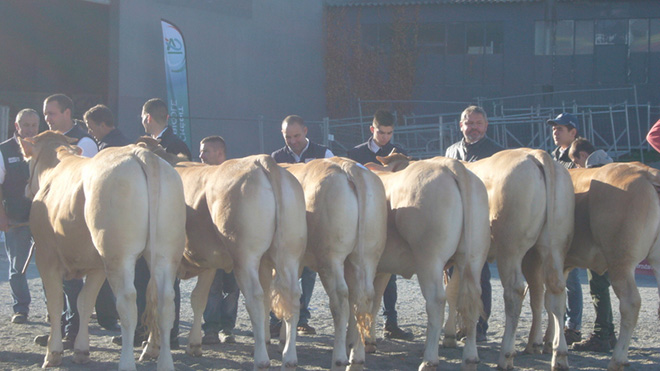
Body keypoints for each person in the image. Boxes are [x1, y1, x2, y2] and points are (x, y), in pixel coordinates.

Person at [112, 98, 191, 349]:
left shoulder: (175, 146)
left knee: (166, 278)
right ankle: (144, 331)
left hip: (165, 217)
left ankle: (169, 333)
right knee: (149, 276)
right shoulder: (175, 143)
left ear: (147, 118)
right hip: (149, 216)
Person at [35, 94, 100, 349]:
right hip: (56, 219)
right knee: (60, 282)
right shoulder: (48, 142)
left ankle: (74, 329)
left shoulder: (84, 142)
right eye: (46, 114)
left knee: (74, 284)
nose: (47, 119)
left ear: (67, 113)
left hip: (75, 222)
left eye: (52, 113)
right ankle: (61, 327)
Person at [347, 109, 413, 341]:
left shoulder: (402, 154)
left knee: (389, 274)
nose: (385, 137)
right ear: (372, 129)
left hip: (389, 218)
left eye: (389, 133)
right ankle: (357, 324)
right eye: (381, 132)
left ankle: (390, 321)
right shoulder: (355, 154)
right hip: (360, 218)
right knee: (358, 272)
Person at [444, 105, 503, 343]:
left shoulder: (497, 154)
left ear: (486, 126)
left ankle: (479, 326)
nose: (473, 128)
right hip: (453, 223)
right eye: (469, 123)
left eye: (478, 123)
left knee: (480, 275)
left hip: (482, 222)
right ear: (461, 125)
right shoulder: (450, 152)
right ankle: (458, 322)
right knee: (452, 273)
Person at [270, 115, 333, 337]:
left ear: (305, 131)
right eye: (288, 137)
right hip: (285, 224)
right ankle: (276, 318)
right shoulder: (276, 158)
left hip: (312, 223)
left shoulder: (324, 154)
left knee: (308, 272)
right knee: (278, 270)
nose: (293, 141)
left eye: (297, 135)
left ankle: (302, 318)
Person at [567, 138, 617, 353]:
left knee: (598, 286)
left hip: (598, 240)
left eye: (576, 163)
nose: (578, 168)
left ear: (583, 157)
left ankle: (601, 334)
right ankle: (609, 333)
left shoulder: (596, 174)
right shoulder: (613, 168)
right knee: (602, 286)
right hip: (613, 238)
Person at [83, 104, 130, 332]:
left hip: (113, 215)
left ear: (103, 125)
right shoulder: (123, 142)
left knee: (105, 266)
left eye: (92, 127)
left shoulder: (109, 149)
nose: (90, 132)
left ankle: (108, 315)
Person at [198, 136, 241, 345]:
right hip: (210, 246)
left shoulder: (235, 178)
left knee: (232, 289)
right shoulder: (200, 178)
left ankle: (227, 329)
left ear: (219, 153)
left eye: (205, 151)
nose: (201, 155)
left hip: (232, 246)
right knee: (212, 288)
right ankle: (211, 330)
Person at [546, 112, 583, 346]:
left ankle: (573, 326)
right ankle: (556, 324)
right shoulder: (552, 157)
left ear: (573, 132)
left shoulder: (581, 155)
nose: (555, 131)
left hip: (574, 221)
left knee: (571, 277)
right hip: (553, 222)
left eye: (561, 128)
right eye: (554, 128)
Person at [0, 109, 39, 325]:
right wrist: (1, 216)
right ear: (17, 126)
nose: (30, 129)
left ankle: (54, 312)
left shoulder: (45, 147)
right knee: (17, 267)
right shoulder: (4, 150)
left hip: (43, 218)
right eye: (26, 125)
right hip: (16, 217)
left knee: (48, 265)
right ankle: (21, 309)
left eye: (34, 125)